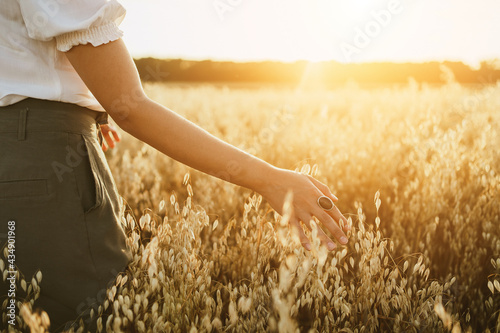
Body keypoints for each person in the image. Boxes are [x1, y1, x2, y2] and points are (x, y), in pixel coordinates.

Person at [0, 0, 350, 331]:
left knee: (13, 311)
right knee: (89, 316)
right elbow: (130, 107)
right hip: (43, 167)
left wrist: (82, 111)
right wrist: (270, 179)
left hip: (21, 155)